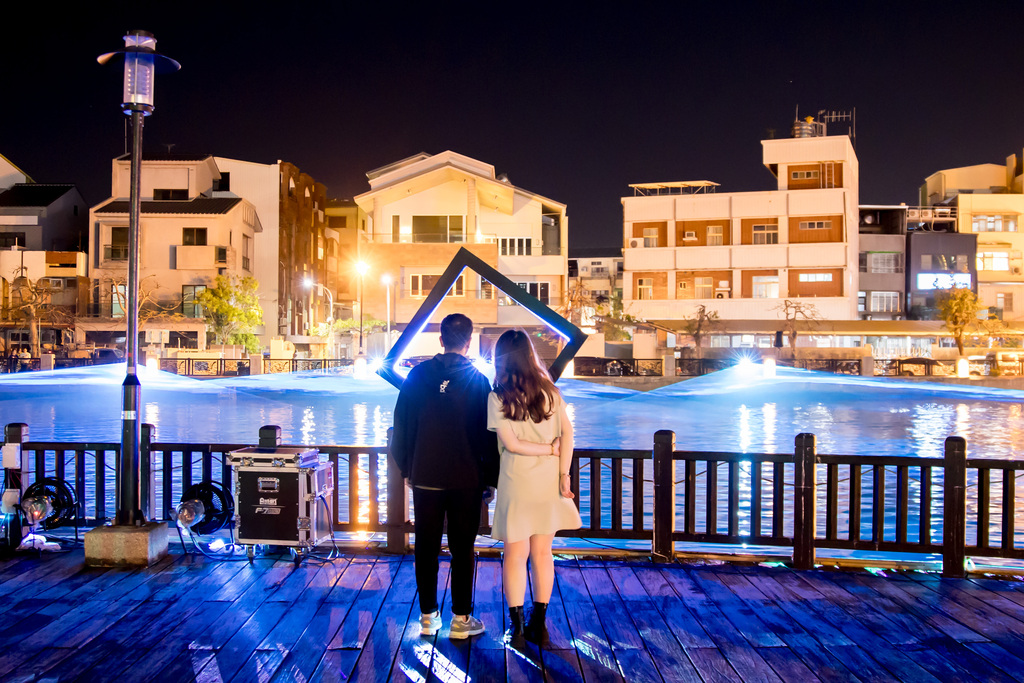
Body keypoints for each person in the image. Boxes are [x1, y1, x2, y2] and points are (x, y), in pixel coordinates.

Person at [391, 313, 498, 640]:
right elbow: (488, 434)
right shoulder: (477, 380)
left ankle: (428, 616)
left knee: (425, 546)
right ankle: (461, 619)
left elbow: (401, 426)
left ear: (441, 340)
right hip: (467, 478)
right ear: (469, 341)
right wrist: (490, 478)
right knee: (462, 548)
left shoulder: (417, 375)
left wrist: (407, 468)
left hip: (426, 476)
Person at [487, 329, 581, 647]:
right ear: (530, 355)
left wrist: (547, 450)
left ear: (501, 359)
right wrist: (563, 473)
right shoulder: (551, 392)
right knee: (543, 554)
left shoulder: (498, 396)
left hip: (516, 482)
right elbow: (568, 435)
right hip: (547, 483)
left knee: (515, 556)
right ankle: (539, 624)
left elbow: (512, 444)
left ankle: (516, 627)